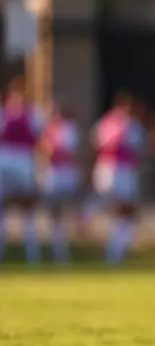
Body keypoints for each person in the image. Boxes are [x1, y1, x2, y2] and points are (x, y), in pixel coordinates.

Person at [93, 93, 147, 264]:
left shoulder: (115, 124)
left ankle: (115, 251)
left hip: (117, 169)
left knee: (123, 213)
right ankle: (113, 251)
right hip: (114, 169)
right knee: (122, 211)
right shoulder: (122, 125)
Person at [0, 78, 45, 263]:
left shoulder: (28, 114)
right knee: (24, 209)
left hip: (15, 161)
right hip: (17, 162)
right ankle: (31, 256)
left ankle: (31, 254)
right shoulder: (33, 114)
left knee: (27, 209)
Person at [39, 99, 82, 263]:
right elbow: (46, 152)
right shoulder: (50, 129)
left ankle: (61, 248)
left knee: (63, 213)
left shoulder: (69, 128)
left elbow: (72, 153)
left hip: (65, 173)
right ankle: (59, 250)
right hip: (55, 173)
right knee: (56, 215)